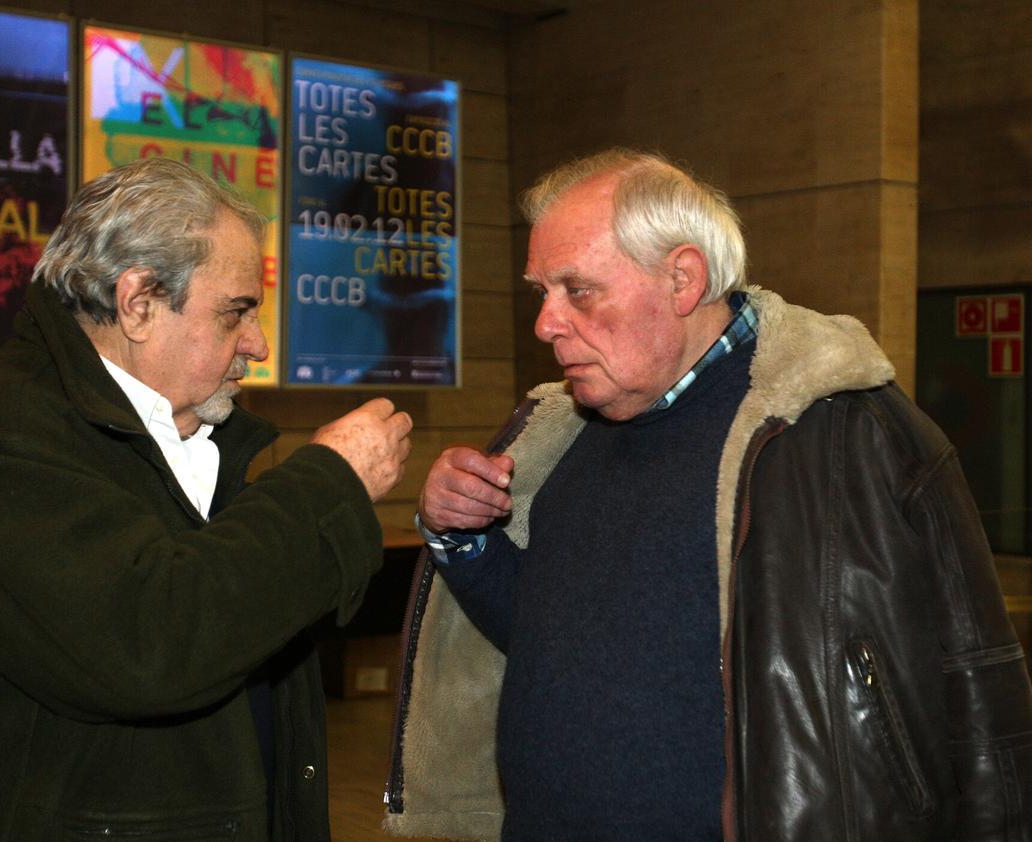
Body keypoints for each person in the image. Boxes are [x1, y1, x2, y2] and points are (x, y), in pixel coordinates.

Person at [383, 149, 1032, 840]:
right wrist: (465, 536)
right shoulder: (561, 434)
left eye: (577, 289)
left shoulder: (845, 433)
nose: (546, 323)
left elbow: (977, 687)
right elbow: (547, 635)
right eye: (541, 292)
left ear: (682, 279)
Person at [0, 157, 413, 841]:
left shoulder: (182, 431)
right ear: (137, 303)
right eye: (236, 313)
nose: (255, 343)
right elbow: (151, 643)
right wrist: (329, 481)